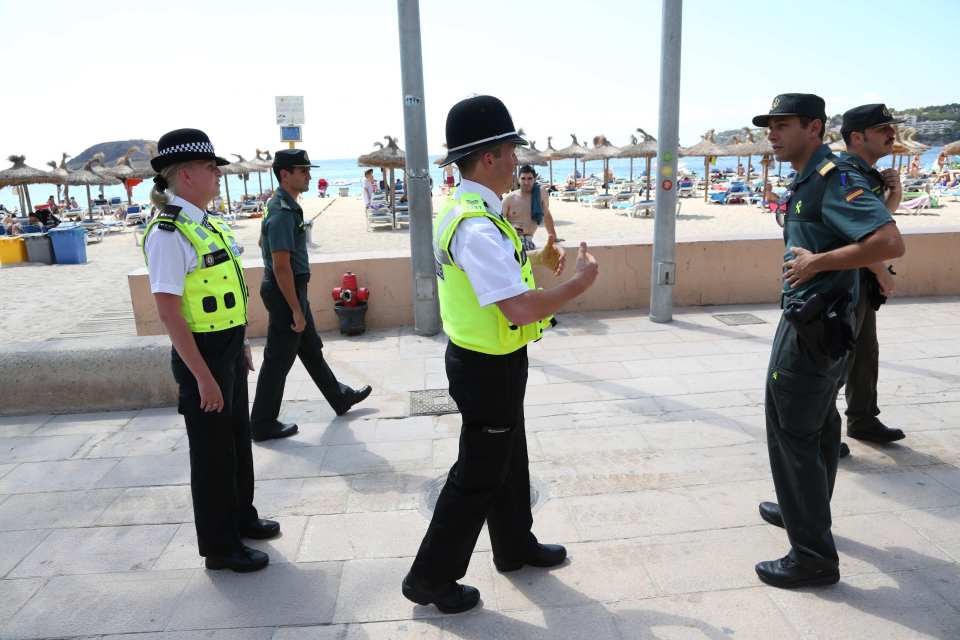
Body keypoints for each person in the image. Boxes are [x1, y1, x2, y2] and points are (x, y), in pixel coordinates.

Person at [403, 95, 599, 614]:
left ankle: (515, 545)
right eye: (512, 149)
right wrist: (578, 285)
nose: (518, 159)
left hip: (494, 358)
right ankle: (430, 578)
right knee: (478, 474)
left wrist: (538, 259)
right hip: (487, 365)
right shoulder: (475, 223)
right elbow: (514, 307)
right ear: (488, 156)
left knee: (512, 457)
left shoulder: (472, 211)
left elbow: (499, 281)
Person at [751, 94, 905, 589]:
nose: (772, 133)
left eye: (782, 124)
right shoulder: (808, 177)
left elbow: (888, 241)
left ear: (814, 127)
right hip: (820, 321)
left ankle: (812, 555)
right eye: (769, 125)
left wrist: (816, 264)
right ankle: (805, 511)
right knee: (817, 425)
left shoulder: (831, 177)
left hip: (815, 324)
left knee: (791, 428)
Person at [142, 128, 278, 573]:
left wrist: (238, 346)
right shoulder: (168, 233)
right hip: (199, 351)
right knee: (212, 455)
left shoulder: (207, 222)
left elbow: (225, 288)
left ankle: (242, 518)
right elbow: (168, 312)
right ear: (185, 175)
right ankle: (220, 547)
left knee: (237, 440)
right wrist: (201, 375)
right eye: (209, 167)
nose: (217, 174)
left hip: (225, 346)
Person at [249, 149, 372, 442]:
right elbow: (281, 267)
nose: (309, 175)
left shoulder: (286, 206)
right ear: (285, 175)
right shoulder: (280, 212)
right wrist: (295, 309)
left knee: (310, 348)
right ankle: (262, 422)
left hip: (291, 290)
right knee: (278, 359)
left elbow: (264, 245)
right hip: (285, 292)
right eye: (303, 170)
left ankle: (339, 397)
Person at [836, 104, 906, 448]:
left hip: (859, 279)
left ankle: (863, 419)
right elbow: (856, 236)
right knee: (837, 357)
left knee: (864, 353)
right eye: (882, 129)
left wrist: (894, 197)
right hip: (843, 281)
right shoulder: (846, 173)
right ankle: (820, 432)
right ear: (857, 136)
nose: (891, 134)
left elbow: (873, 225)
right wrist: (882, 273)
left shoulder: (867, 173)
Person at [503, 165, 559, 250]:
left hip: (528, 241)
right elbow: (499, 221)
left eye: (529, 178)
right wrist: (511, 229)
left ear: (534, 179)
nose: (526, 182)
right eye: (523, 178)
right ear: (518, 179)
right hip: (511, 239)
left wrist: (554, 236)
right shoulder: (509, 199)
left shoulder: (541, 194)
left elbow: (546, 215)